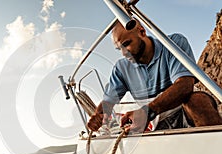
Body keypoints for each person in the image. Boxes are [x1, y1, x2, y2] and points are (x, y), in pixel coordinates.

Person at [87, 20, 222, 133]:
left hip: (184, 113)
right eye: (119, 49)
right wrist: (98, 115)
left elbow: (185, 85)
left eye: (126, 44)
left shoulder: (173, 43)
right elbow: (108, 102)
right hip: (154, 124)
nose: (123, 53)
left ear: (142, 32)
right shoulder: (121, 69)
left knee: (197, 100)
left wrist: (147, 112)